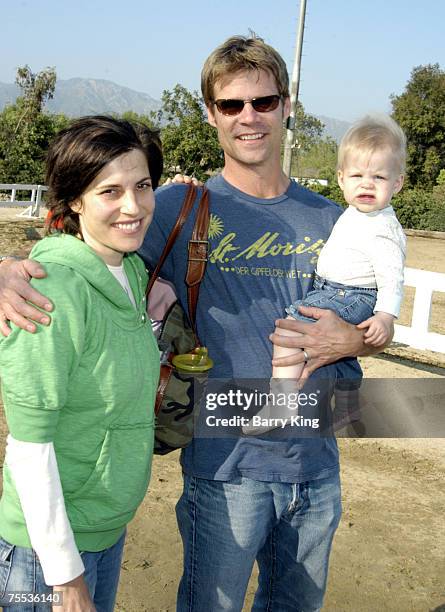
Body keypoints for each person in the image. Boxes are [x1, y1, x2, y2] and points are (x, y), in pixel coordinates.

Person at [0, 37, 392, 611]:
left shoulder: (338, 218)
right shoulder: (173, 208)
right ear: (211, 114)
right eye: (231, 105)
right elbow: (73, 247)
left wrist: (353, 339)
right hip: (224, 465)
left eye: (263, 101)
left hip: (316, 461)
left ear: (288, 105)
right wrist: (7, 271)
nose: (248, 117)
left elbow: (376, 315)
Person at [0, 116, 162, 611]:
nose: (132, 206)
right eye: (109, 191)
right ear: (75, 200)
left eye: (143, 185)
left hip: (102, 530)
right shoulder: (52, 292)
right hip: (44, 555)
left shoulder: (131, 274)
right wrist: (66, 578)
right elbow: (29, 448)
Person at [243, 114, 406, 435]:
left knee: (289, 330)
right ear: (341, 179)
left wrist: (386, 316)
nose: (367, 184)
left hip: (349, 293)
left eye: (379, 177)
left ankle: (282, 401)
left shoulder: (383, 226)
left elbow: (392, 275)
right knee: (337, 353)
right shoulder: (355, 214)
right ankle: (348, 403)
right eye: (357, 175)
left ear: (397, 183)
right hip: (336, 290)